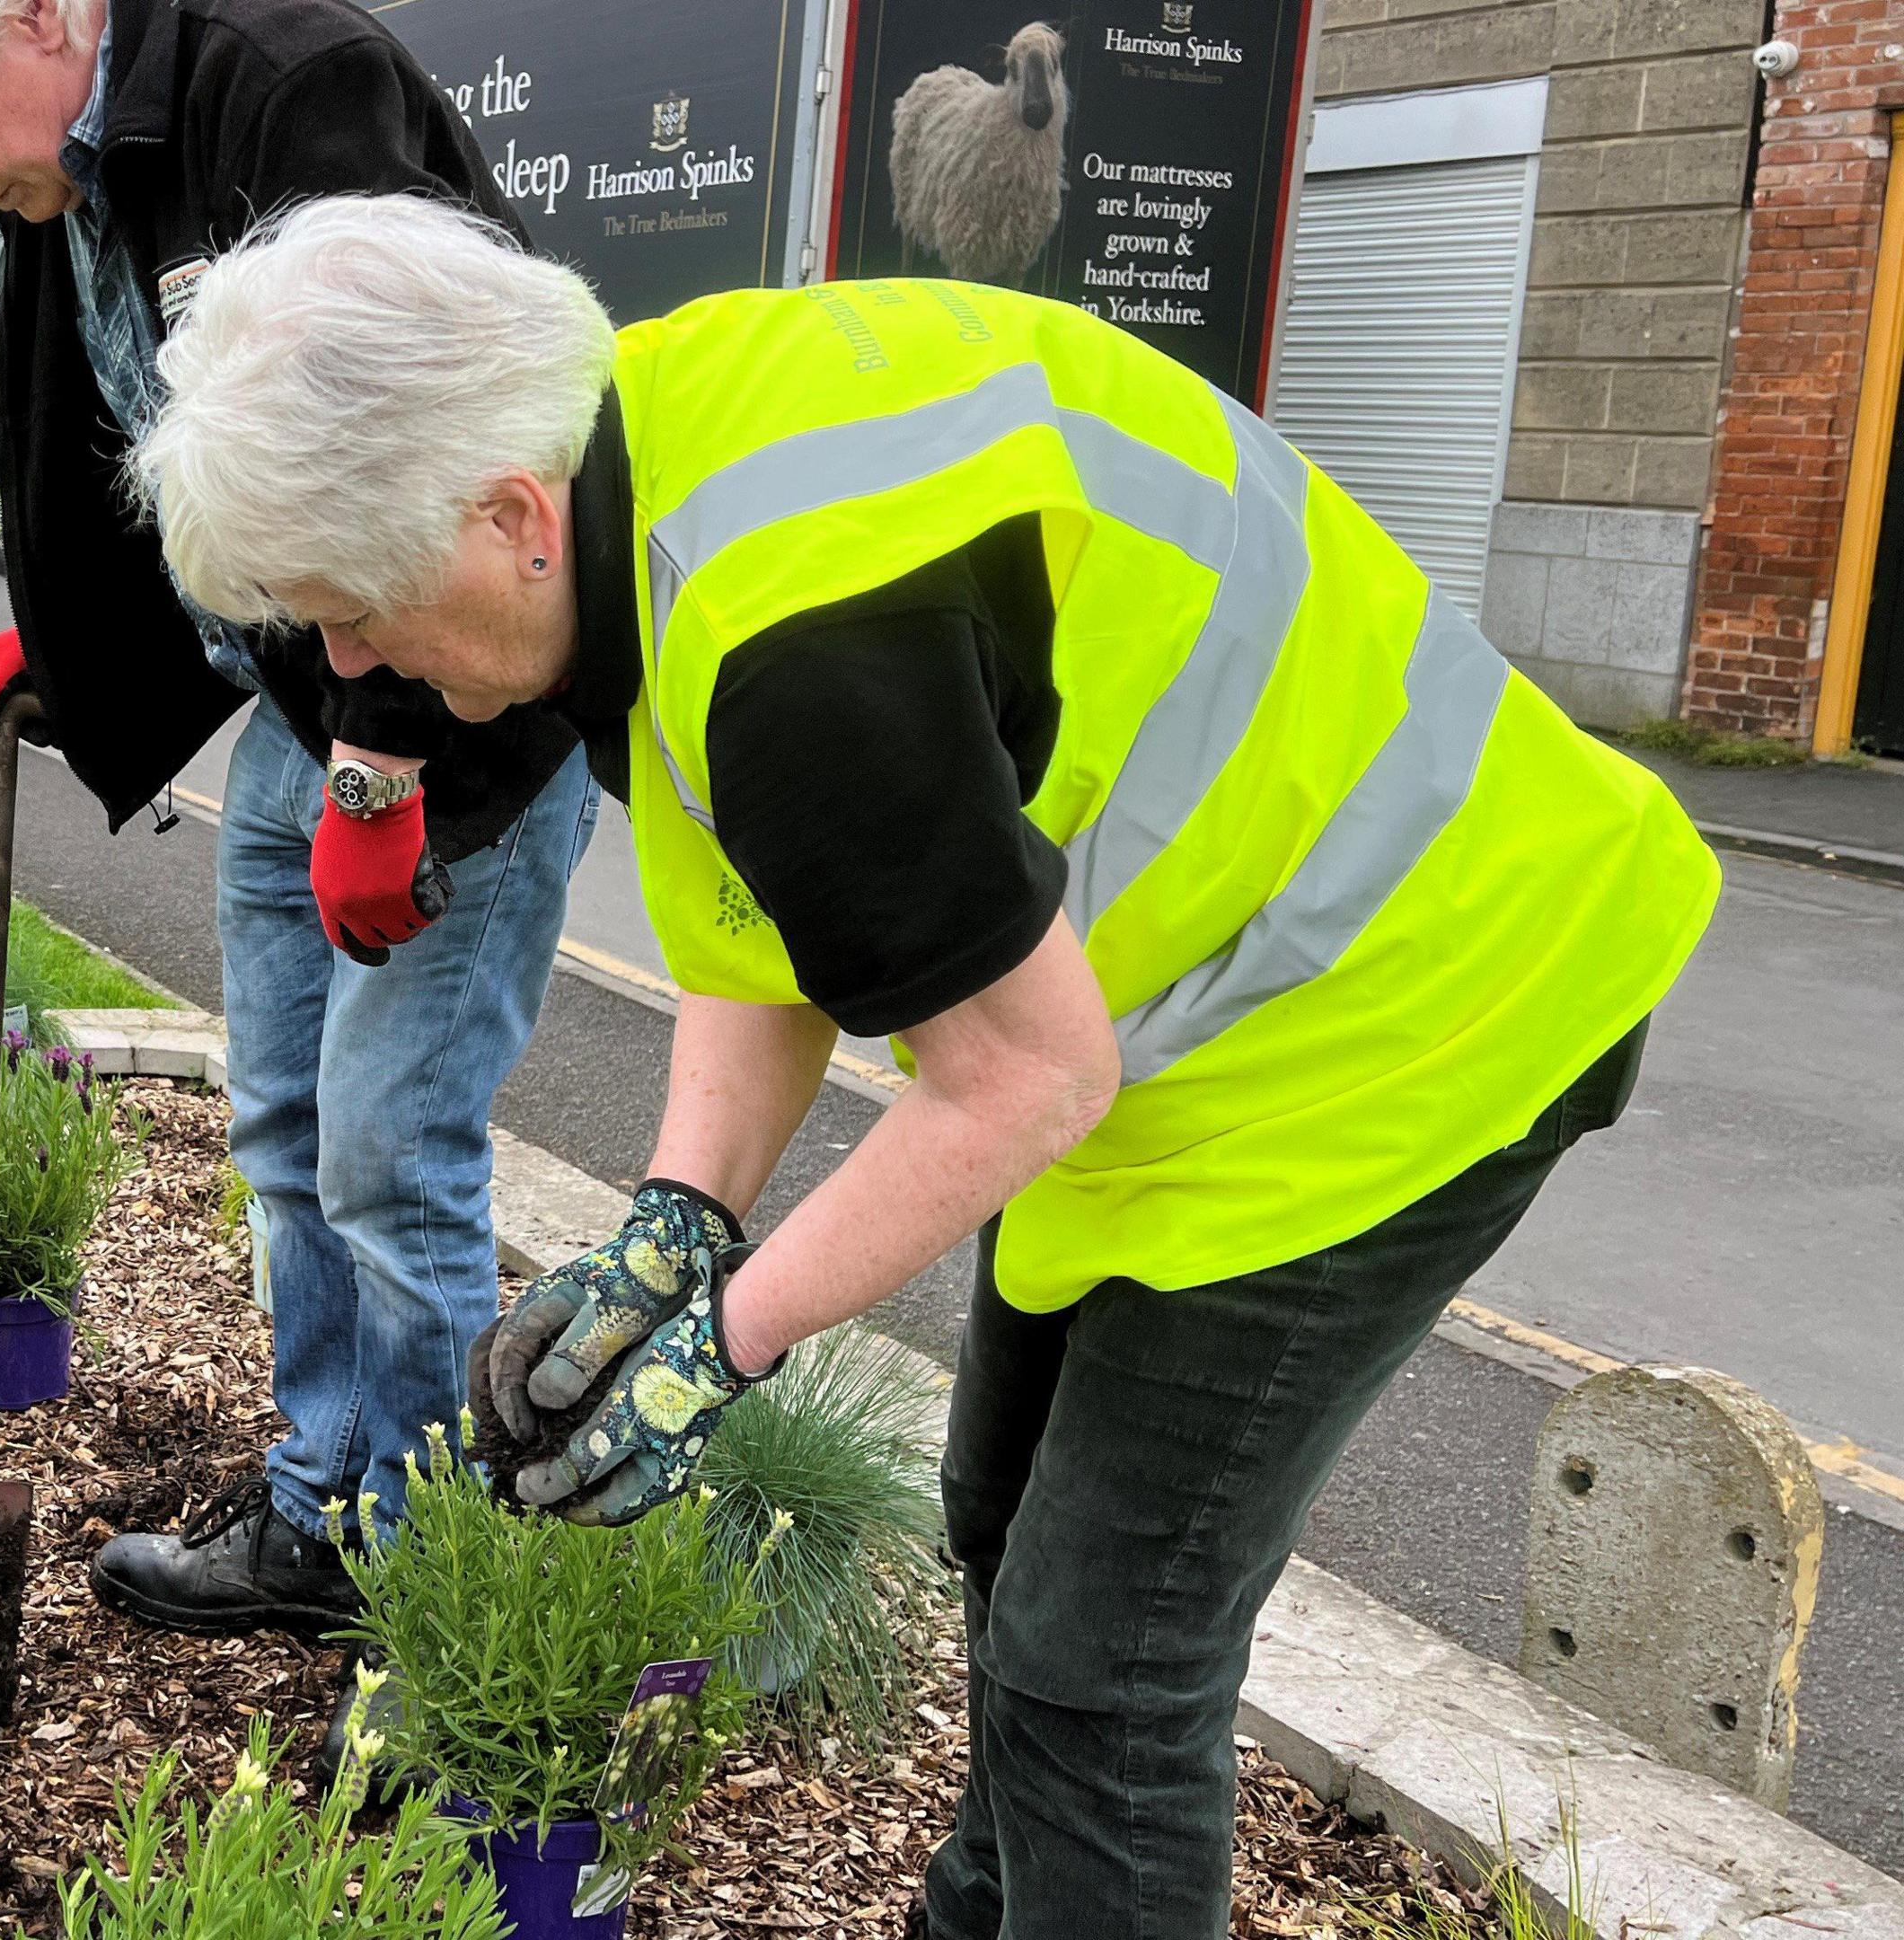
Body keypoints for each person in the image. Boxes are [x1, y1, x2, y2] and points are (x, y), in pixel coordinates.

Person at [131, 195, 1721, 1936]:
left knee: (1101, 1659)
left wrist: (714, 1350)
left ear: (506, 517)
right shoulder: (639, 450)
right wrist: (677, 1219)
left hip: (1410, 1003)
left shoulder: (797, 642)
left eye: (354, 609)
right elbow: (768, 924)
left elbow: (1021, 1080)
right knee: (1001, 1519)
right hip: (1195, 1003)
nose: (354, 667)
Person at [0, 0, 599, 1644]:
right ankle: (324, 1509)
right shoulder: (57, 174)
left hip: (455, 694)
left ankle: (428, 1572)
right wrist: (67, 652)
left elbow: (426, 444)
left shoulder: (290, 84)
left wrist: (384, 759)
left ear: (33, 15)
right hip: (307, 694)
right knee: (282, 1124)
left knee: (388, 1153)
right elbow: (123, 451)